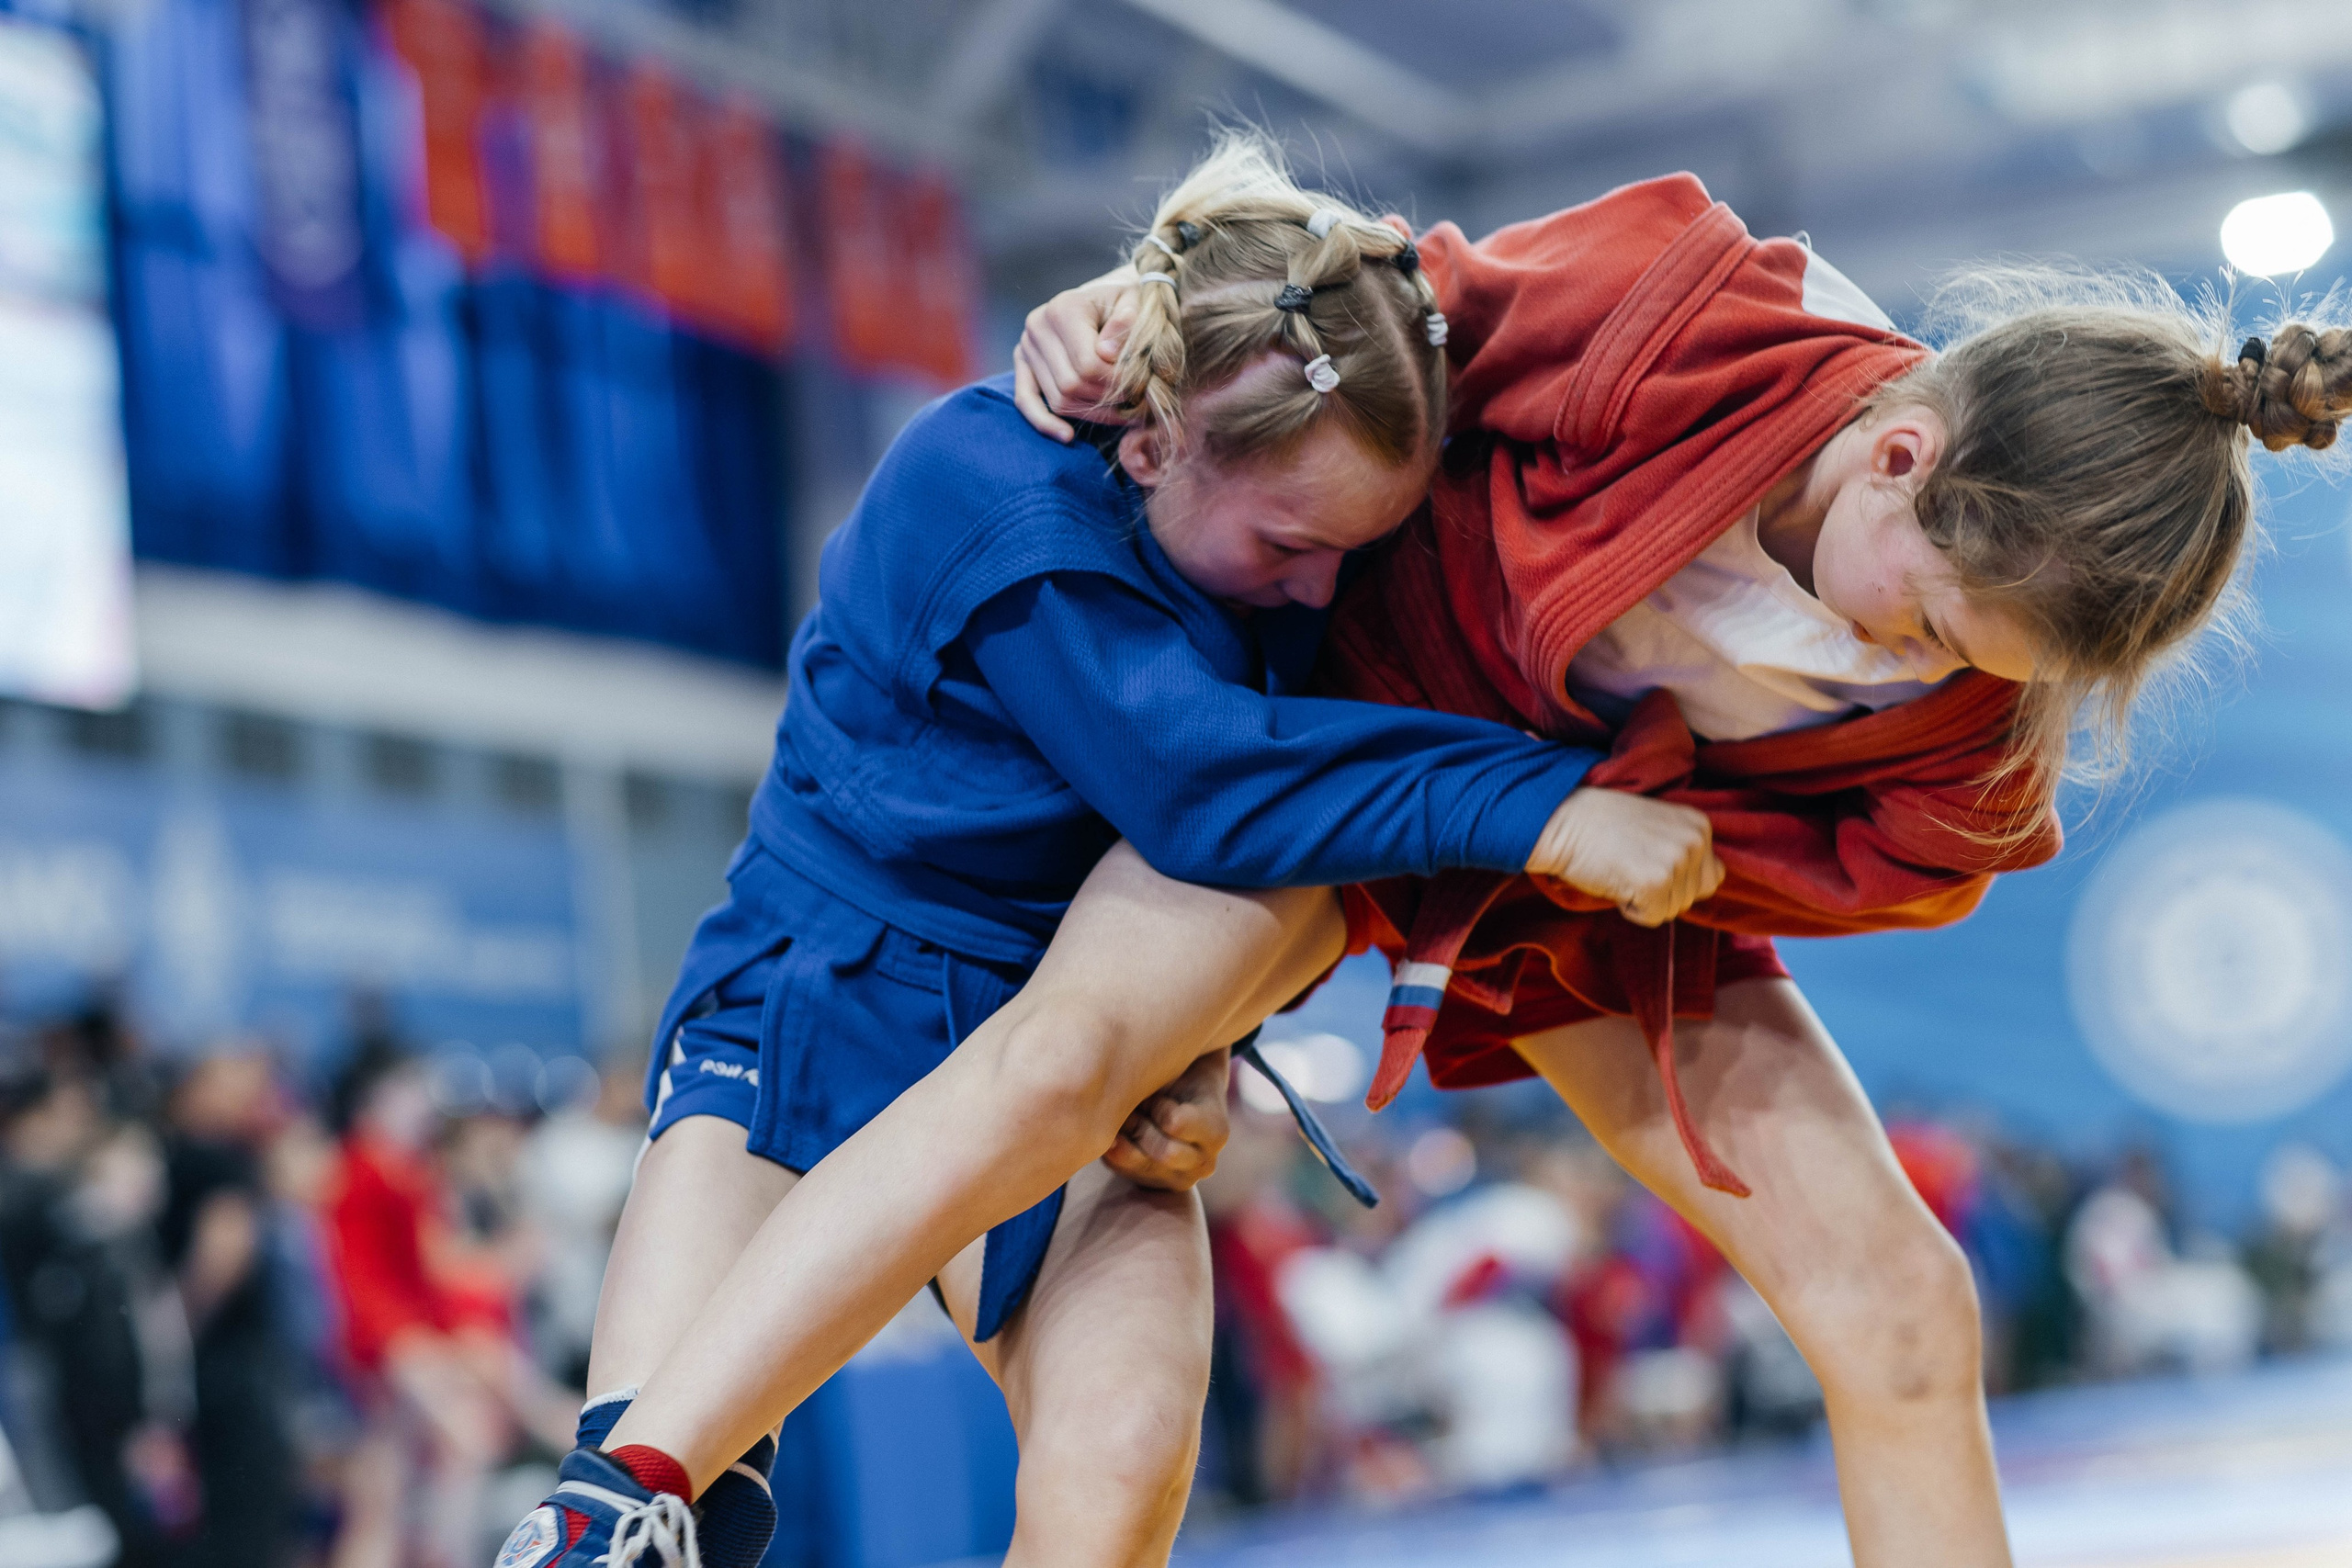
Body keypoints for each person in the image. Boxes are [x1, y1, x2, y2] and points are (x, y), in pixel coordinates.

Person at [581, 161, 2345, 1568]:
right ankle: (630, 1487)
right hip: (1347, 758)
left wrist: (1576, 829)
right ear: (1901, 451)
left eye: (1994, 669)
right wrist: (1142, 308)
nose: (1943, 669)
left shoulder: (1974, 734)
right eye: (1942, 621)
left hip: (1589, 883)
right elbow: (1371, 315)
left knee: (1907, 1310)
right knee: (1070, 1066)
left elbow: (1880, 865)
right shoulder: (1689, 307)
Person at [496, 140, 1722, 1568]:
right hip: (809, 1003)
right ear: (1149, 447)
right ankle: (622, 1489)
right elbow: (1204, 786)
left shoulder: (1257, 483)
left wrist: (1206, 1044)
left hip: (1058, 1034)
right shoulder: (984, 481)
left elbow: (1337, 294)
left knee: (1122, 1468)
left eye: (1348, 550)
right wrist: (1544, 806)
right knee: (649, 1510)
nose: (1322, 589)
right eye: (1292, 545)